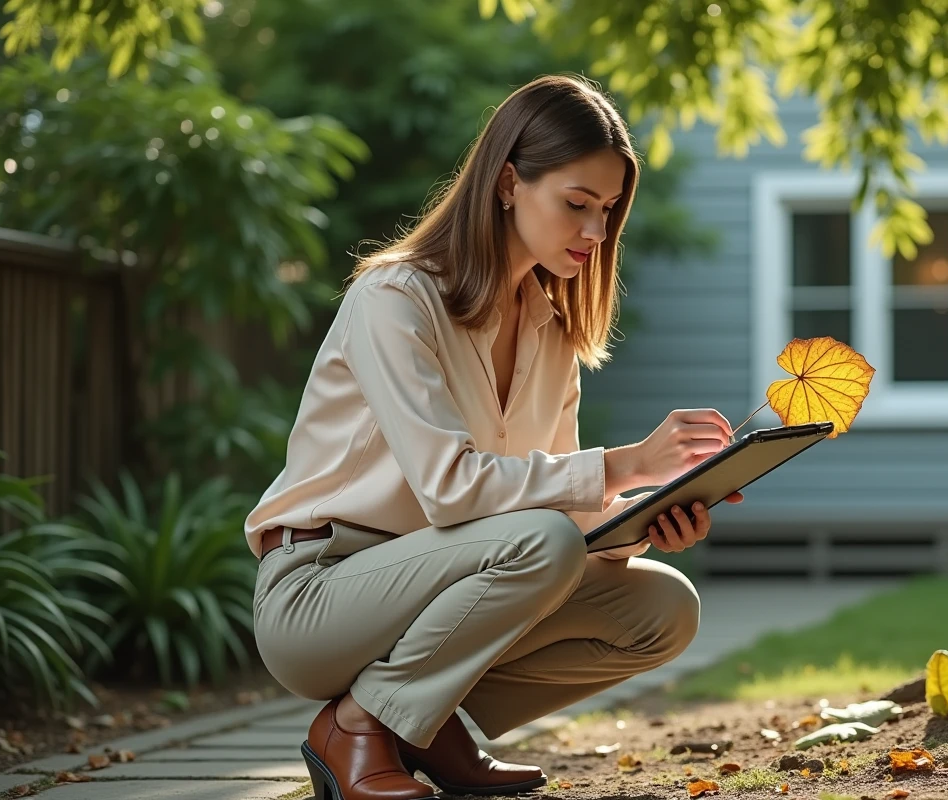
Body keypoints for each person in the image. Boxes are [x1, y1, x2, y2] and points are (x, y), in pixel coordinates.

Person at [247, 73, 744, 800]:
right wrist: (624, 462)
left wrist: (648, 512)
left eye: (608, 210)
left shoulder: (553, 331)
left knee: (664, 609)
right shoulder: (394, 298)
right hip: (322, 592)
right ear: (509, 182)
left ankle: (416, 719)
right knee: (541, 541)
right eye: (576, 203)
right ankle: (358, 726)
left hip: (448, 584)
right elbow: (453, 492)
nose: (596, 232)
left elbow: (562, 513)